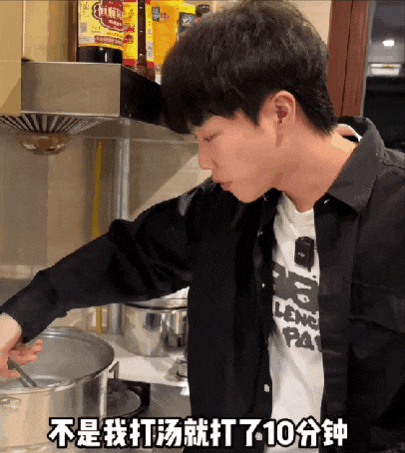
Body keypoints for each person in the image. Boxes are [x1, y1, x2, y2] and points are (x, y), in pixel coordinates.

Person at [1, 1, 404, 452]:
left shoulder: (396, 211)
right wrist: (20, 314)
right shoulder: (224, 209)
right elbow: (131, 254)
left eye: (210, 137)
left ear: (280, 112)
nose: (206, 162)